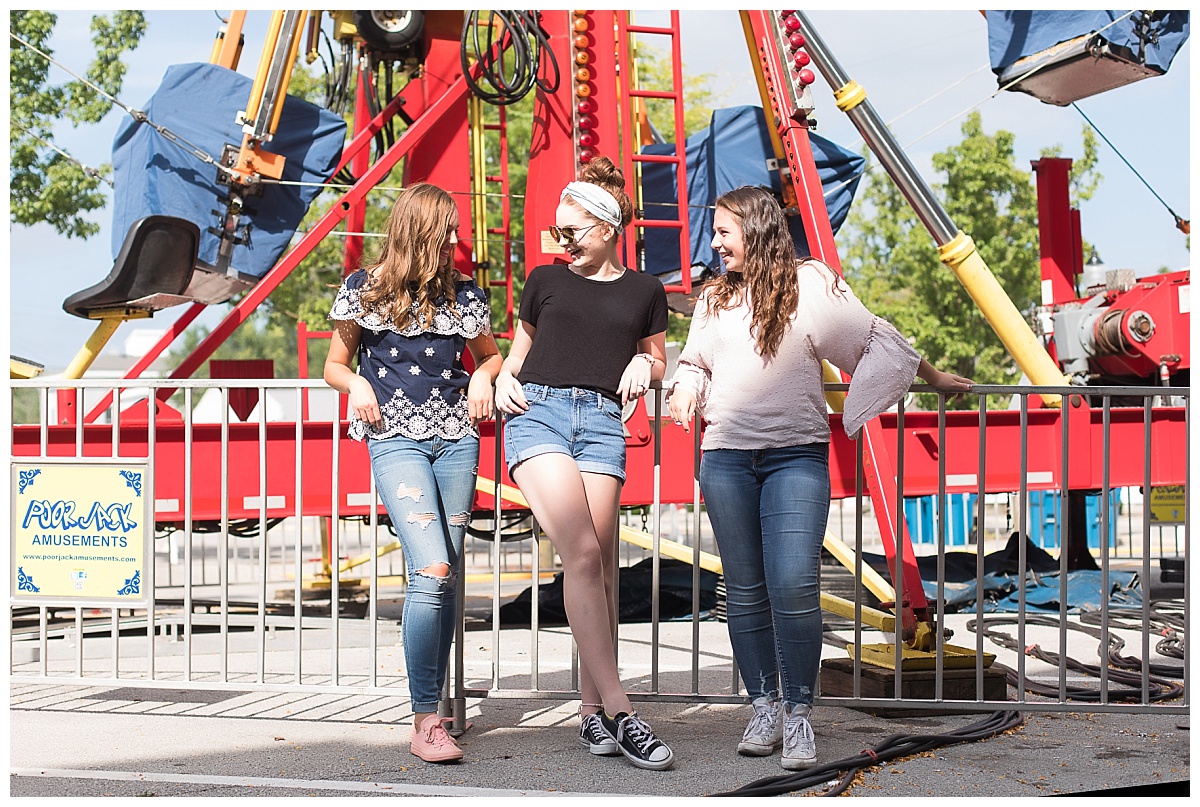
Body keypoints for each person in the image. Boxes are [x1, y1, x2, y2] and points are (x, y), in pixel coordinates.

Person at [666, 186, 973, 770]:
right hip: (726, 458)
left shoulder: (811, 285)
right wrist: (685, 390)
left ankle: (800, 714)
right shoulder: (713, 299)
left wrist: (931, 375)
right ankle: (764, 705)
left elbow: (876, 340)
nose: (716, 242)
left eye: (725, 231)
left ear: (755, 230)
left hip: (795, 457)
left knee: (793, 586)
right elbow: (694, 362)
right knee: (745, 590)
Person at [493, 156, 675, 771]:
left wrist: (644, 367)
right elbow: (516, 356)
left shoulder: (646, 290)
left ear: (606, 228)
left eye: (571, 232)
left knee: (601, 570)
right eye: (557, 232)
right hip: (538, 413)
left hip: (601, 422)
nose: (561, 241)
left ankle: (590, 713)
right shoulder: (544, 280)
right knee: (583, 553)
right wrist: (497, 383)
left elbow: (658, 361)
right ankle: (624, 712)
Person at [324, 183, 503, 763]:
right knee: (432, 567)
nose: (456, 239)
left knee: (444, 573)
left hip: (457, 441)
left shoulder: (464, 294)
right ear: (420, 232)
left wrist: (481, 377)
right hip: (395, 441)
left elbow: (492, 356)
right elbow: (334, 365)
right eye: (447, 229)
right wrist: (356, 386)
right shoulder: (363, 290)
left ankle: (442, 705)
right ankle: (425, 718)